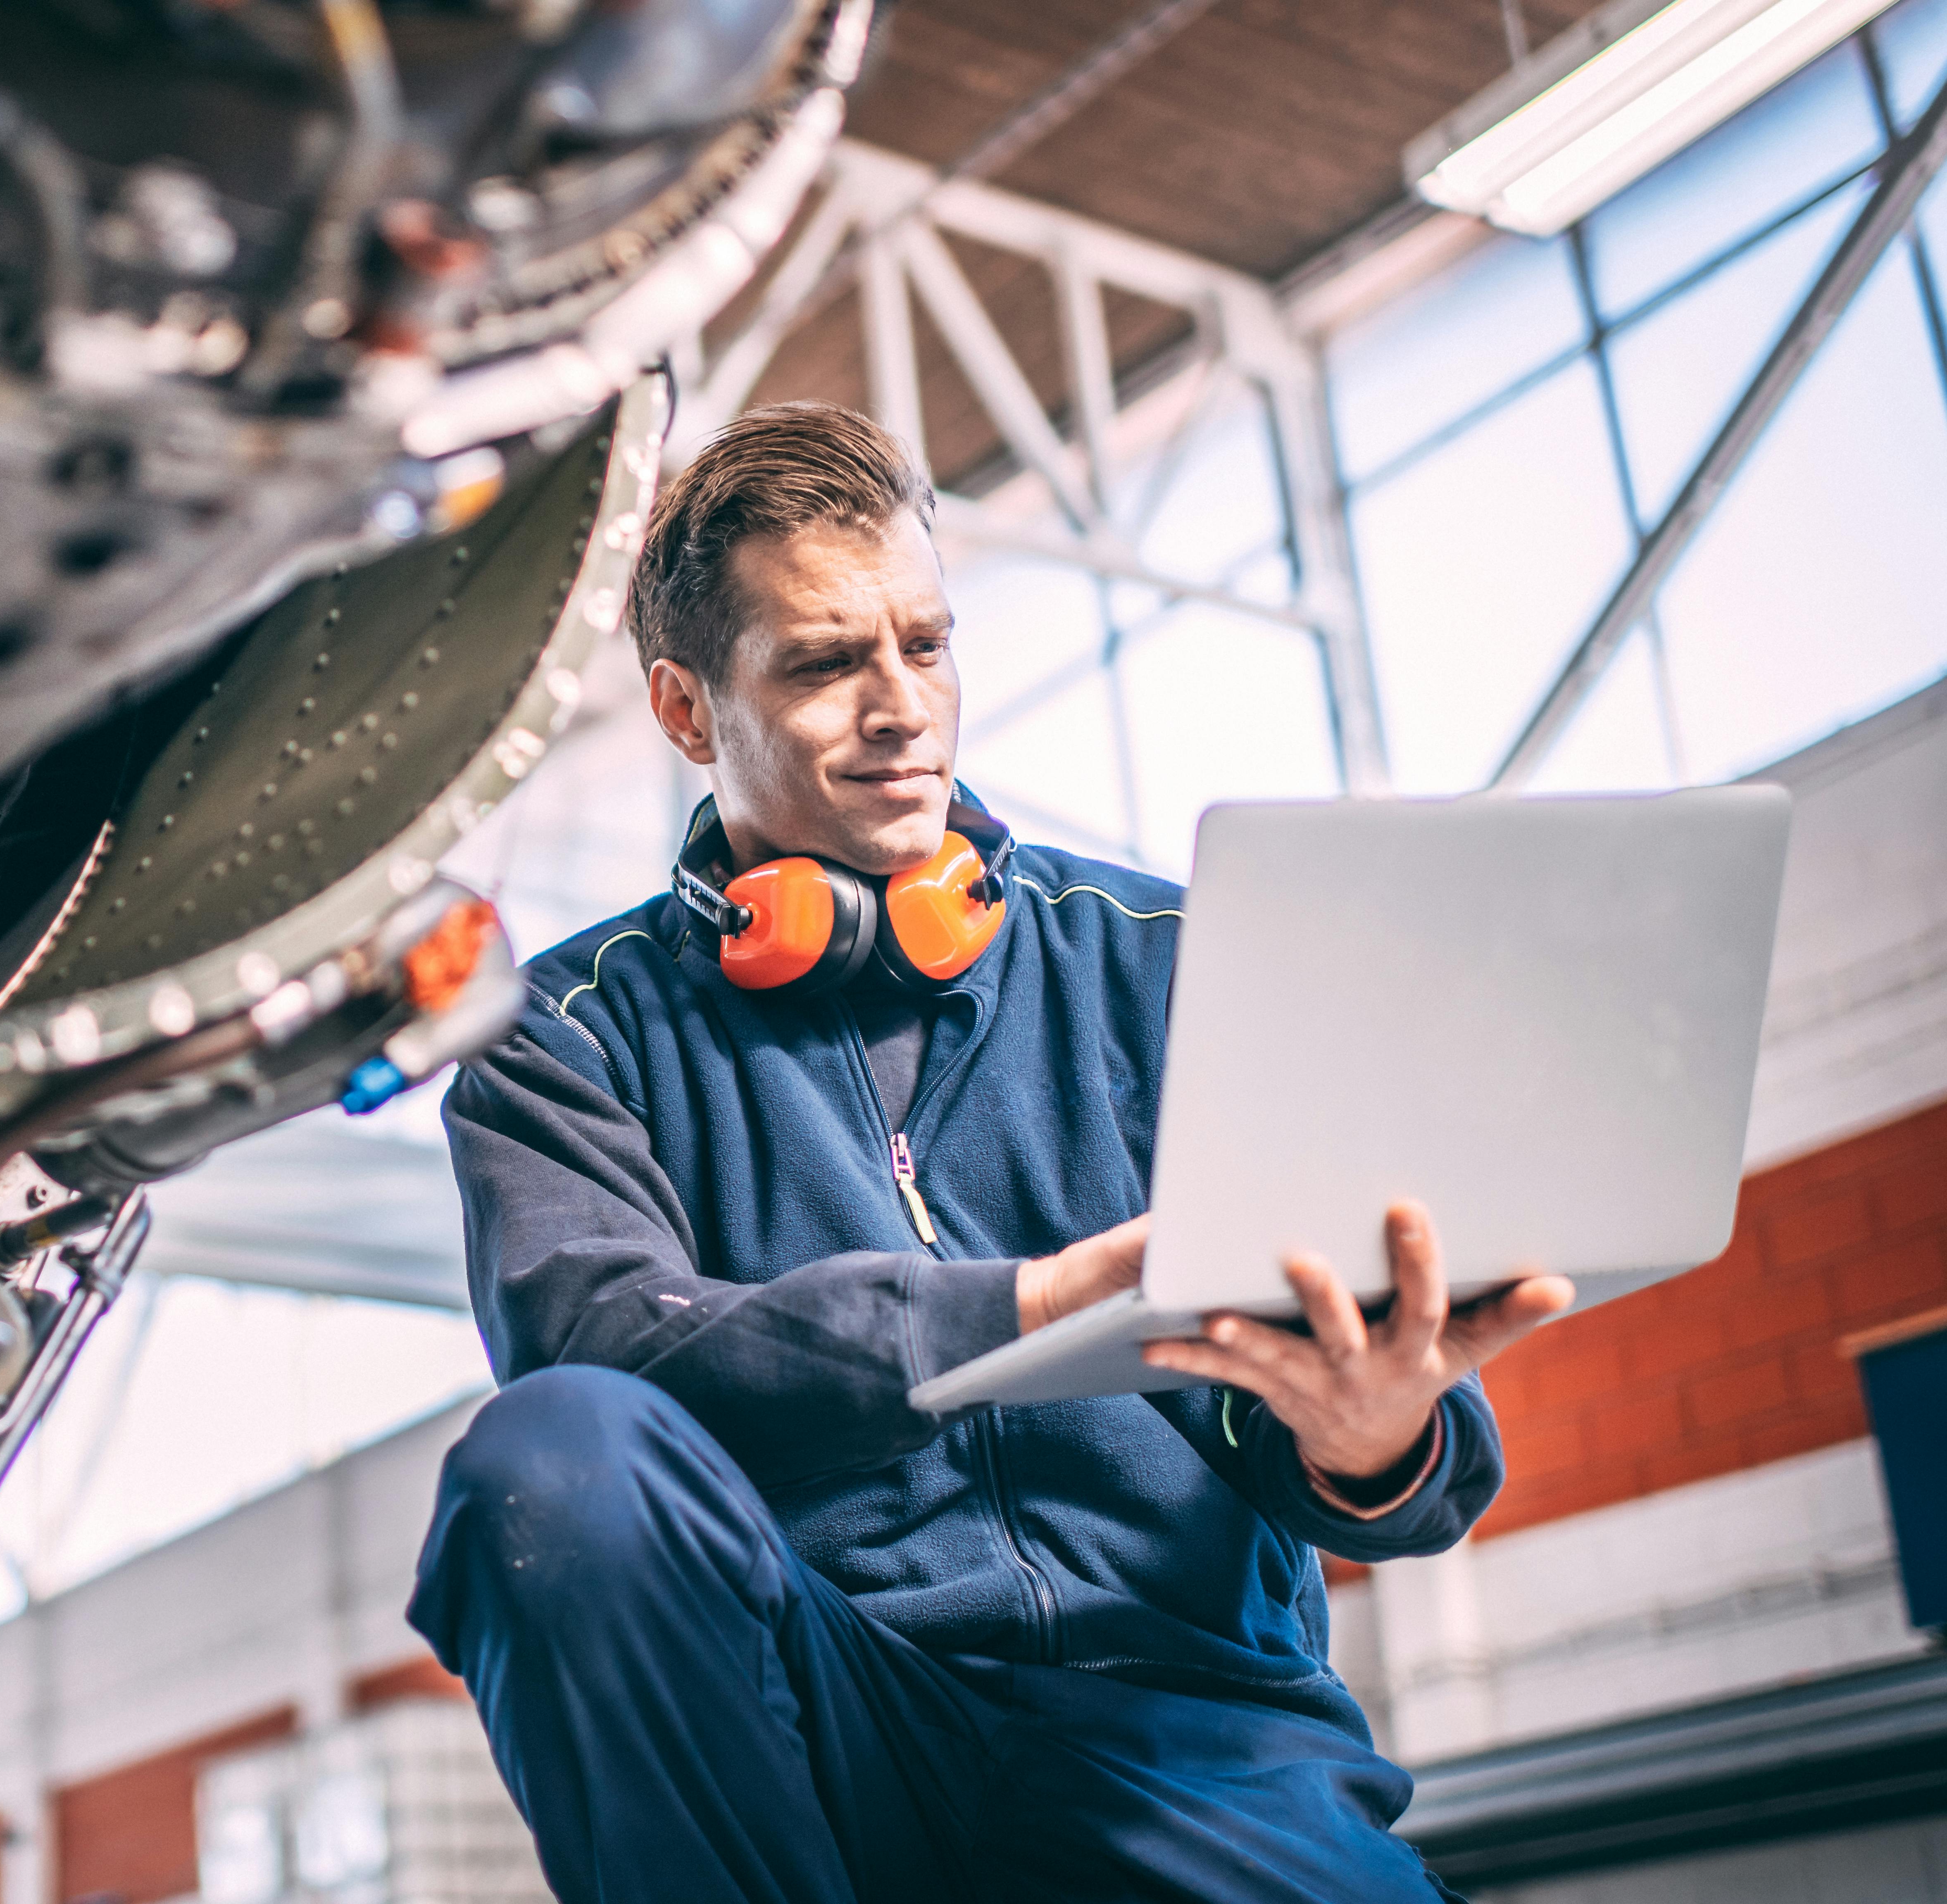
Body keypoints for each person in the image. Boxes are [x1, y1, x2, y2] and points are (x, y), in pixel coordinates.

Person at [405, 402, 1574, 1903]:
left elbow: (1394, 1466)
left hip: (1190, 1734)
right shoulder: (562, 1036)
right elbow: (612, 1356)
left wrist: (1370, 1438)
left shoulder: (1171, 965)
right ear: (688, 713)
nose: (903, 707)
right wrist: (1021, 1310)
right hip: (822, 1719)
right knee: (549, 1462)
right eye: (827, 663)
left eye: (927, 644)